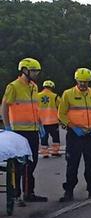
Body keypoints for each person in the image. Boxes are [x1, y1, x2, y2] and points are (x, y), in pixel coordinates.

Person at [58, 68, 91, 202]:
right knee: (72, 164)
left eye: (85, 82)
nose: (83, 85)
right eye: (81, 82)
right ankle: (68, 191)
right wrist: (73, 127)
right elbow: (61, 114)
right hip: (75, 135)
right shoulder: (68, 94)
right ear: (76, 81)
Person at [2, 57, 46, 204]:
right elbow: (5, 106)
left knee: (31, 162)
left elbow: (35, 108)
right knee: (19, 164)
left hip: (33, 130)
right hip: (18, 131)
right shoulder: (13, 86)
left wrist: (40, 124)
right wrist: (7, 126)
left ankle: (29, 192)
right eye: (33, 71)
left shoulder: (34, 86)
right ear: (25, 71)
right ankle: (16, 193)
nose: (36, 74)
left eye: (37, 71)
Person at [37, 80, 62, 158]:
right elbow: (61, 106)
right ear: (52, 87)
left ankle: (45, 153)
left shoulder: (37, 96)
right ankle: (55, 152)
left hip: (41, 121)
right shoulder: (55, 96)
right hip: (53, 121)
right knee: (55, 137)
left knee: (44, 138)